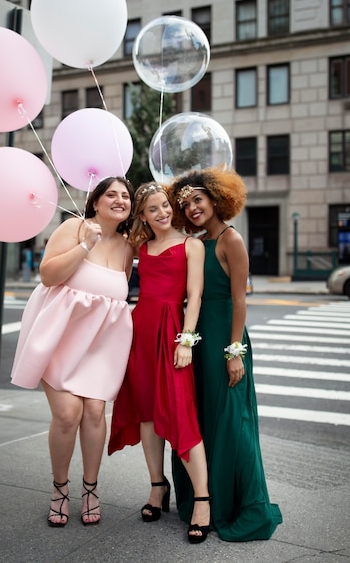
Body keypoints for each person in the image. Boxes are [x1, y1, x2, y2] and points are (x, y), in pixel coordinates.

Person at [167, 166, 283, 542]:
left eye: (197, 200)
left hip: (224, 340)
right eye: (185, 205)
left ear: (216, 199)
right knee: (200, 417)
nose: (192, 208)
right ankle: (201, 498)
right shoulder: (198, 242)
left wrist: (235, 353)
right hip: (197, 339)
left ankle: (234, 505)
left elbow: (239, 300)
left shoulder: (231, 240)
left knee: (232, 423)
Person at [11, 177, 134, 528]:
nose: (119, 199)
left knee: (95, 412)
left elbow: (116, 299)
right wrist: (84, 246)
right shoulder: (74, 227)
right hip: (61, 338)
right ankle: (59, 489)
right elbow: (48, 276)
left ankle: (91, 489)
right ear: (95, 201)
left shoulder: (128, 248)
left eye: (125, 196)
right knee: (67, 414)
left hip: (99, 345)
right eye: (111, 194)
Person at [108, 182, 211, 544]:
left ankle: (202, 499)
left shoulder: (191, 245)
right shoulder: (141, 247)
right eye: (153, 209)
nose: (162, 212)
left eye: (165, 205)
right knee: (147, 415)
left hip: (171, 333)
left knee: (181, 415)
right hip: (141, 332)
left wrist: (186, 340)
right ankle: (157, 486)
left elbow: (194, 296)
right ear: (143, 216)